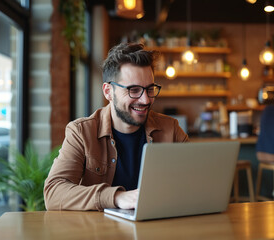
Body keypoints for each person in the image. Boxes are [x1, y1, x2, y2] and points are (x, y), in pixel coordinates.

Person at [44, 43, 189, 211]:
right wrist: (116, 197)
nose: (146, 100)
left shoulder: (170, 129)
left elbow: (195, 180)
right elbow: (54, 192)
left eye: (150, 89)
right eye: (134, 90)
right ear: (108, 92)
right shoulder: (82, 132)